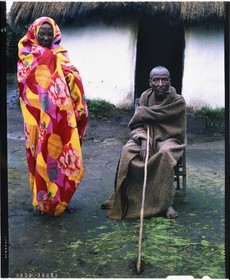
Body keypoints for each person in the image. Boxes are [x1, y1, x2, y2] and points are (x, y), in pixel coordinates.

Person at [17, 17, 88, 216]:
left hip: (61, 117)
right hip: (38, 118)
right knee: (40, 156)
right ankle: (41, 201)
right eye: (43, 33)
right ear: (35, 33)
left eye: (50, 34)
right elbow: (27, 86)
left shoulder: (60, 54)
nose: (47, 37)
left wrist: (71, 77)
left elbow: (72, 76)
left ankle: (62, 200)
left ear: (56, 34)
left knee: (63, 155)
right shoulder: (27, 54)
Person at [101, 66, 186, 220]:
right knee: (127, 151)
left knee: (165, 154)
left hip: (169, 138)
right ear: (150, 83)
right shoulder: (145, 97)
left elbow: (177, 129)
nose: (160, 83)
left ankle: (166, 203)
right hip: (146, 136)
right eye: (156, 80)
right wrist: (143, 139)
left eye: (164, 79)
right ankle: (129, 197)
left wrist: (156, 135)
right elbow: (138, 124)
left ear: (169, 81)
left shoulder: (178, 101)